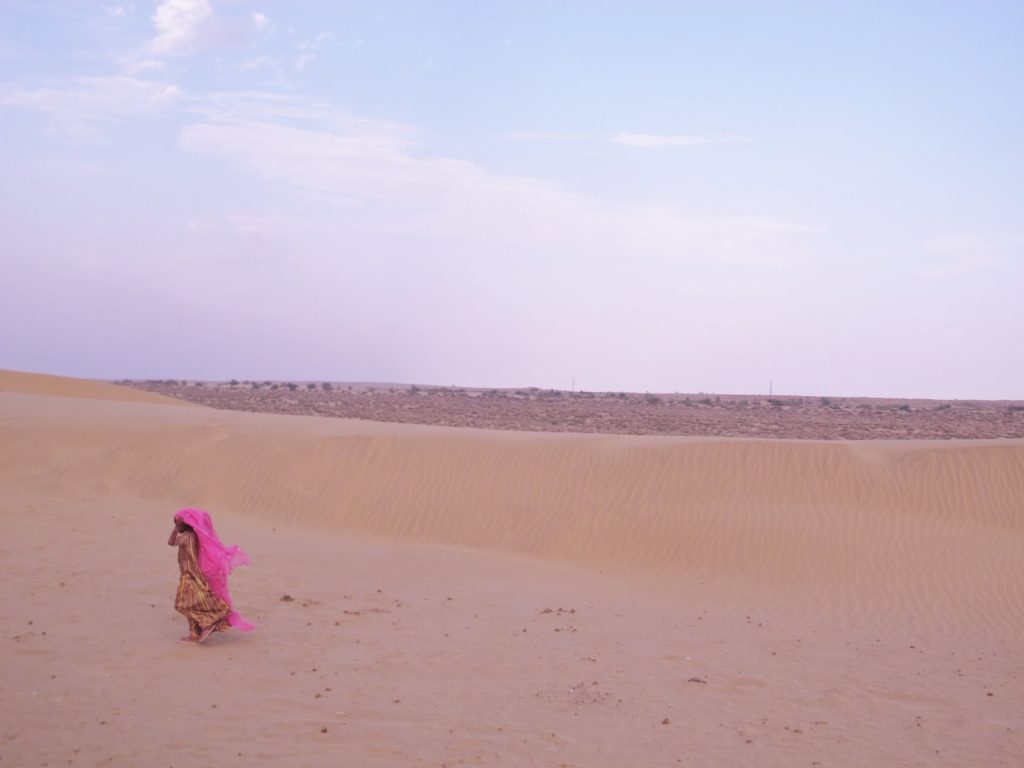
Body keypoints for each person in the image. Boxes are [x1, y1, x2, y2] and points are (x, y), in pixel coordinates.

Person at [168, 508, 254, 643]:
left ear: (186, 524)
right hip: (188, 573)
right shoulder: (192, 535)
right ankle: (194, 633)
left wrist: (176, 527)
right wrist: (176, 526)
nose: (177, 525)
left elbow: (171, 542)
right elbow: (171, 542)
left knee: (184, 604)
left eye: (178, 523)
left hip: (190, 574)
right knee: (191, 603)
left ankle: (207, 622)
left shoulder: (188, 536)